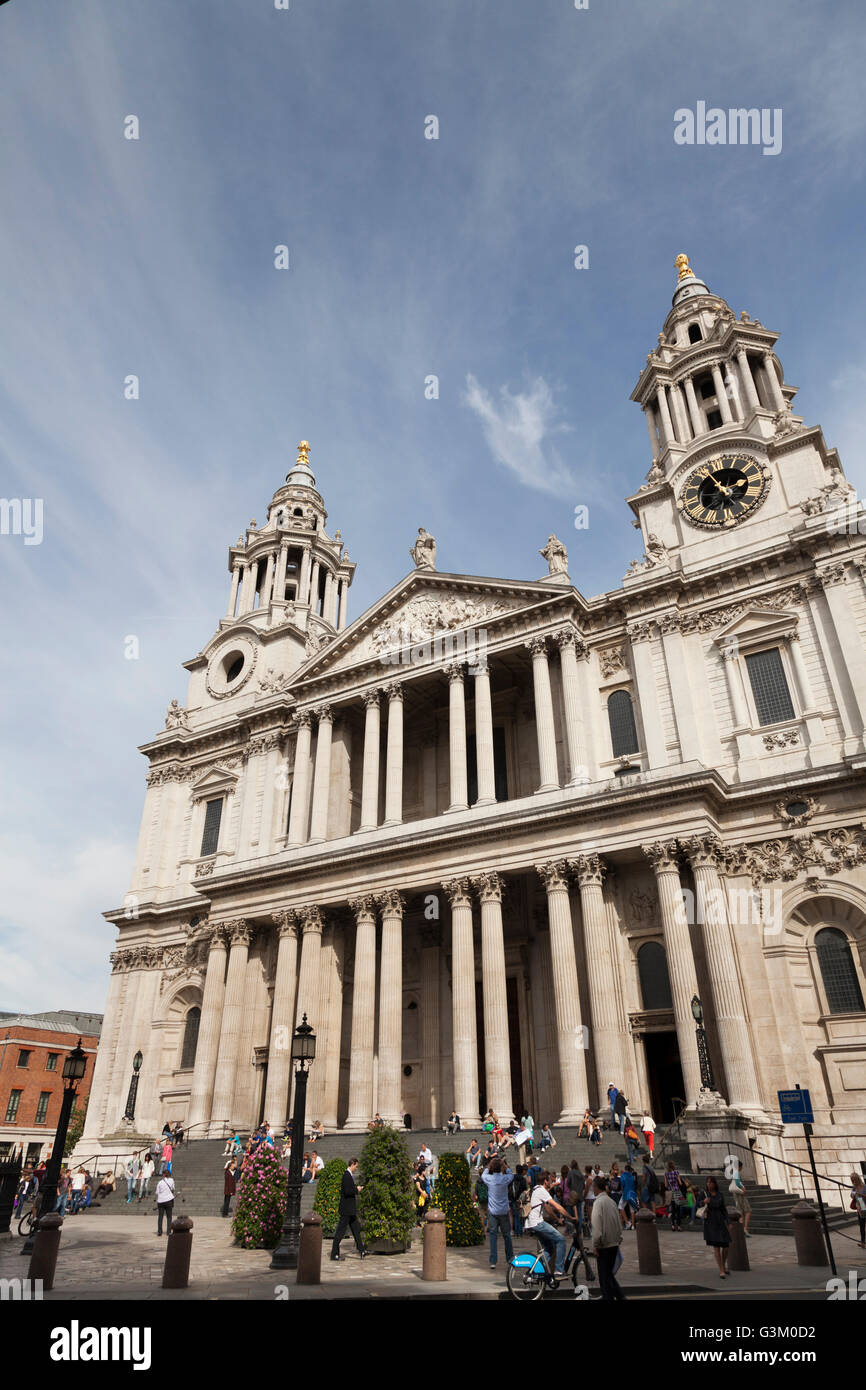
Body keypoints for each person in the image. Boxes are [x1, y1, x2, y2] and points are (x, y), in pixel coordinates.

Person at [526, 1171, 568, 1279]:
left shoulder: (536, 1189)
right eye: (549, 1180)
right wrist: (571, 1217)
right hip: (538, 1223)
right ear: (545, 1181)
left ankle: (537, 1270)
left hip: (532, 1223)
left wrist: (557, 1219)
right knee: (561, 1240)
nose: (551, 1181)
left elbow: (548, 1208)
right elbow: (556, 1206)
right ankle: (558, 1271)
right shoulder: (541, 1190)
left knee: (549, 1247)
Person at [591, 1176, 626, 1300]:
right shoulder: (611, 1201)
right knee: (609, 1276)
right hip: (614, 1244)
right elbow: (618, 1222)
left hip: (603, 1245)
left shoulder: (598, 1203)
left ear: (596, 1188)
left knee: (605, 1279)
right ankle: (619, 1297)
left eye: (593, 1187)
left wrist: (595, 1245)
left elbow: (596, 1226)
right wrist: (618, 1239)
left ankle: (612, 1297)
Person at [481, 1157, 514, 1269]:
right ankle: (510, 1258)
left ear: (491, 1168)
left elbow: (483, 1175)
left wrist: (488, 1166)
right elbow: (511, 1174)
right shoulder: (505, 1178)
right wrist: (505, 1166)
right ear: (501, 1168)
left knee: (493, 1237)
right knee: (507, 1236)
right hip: (504, 1211)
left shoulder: (489, 1179)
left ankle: (493, 1261)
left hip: (493, 1212)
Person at [330, 1158, 366, 1260]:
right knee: (340, 1232)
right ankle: (334, 1254)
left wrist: (355, 1189)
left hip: (350, 1210)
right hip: (346, 1210)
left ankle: (362, 1250)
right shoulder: (346, 1175)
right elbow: (347, 1191)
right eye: (356, 1166)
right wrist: (357, 1189)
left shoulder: (349, 1175)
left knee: (356, 1230)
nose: (356, 1168)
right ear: (352, 1164)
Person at [703, 1175, 731, 1278]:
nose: (709, 1184)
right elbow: (697, 1205)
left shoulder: (720, 1195)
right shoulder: (704, 1194)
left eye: (711, 1182)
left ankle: (723, 1265)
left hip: (720, 1221)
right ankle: (721, 1270)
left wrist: (728, 1222)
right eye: (707, 1182)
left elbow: (723, 1209)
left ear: (715, 1184)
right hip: (710, 1222)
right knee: (716, 1247)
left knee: (726, 1246)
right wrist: (703, 1202)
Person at [728, 1160, 752, 1236]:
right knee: (748, 1210)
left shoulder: (733, 1173)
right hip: (739, 1193)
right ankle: (745, 1228)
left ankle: (742, 1229)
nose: (742, 1168)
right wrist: (743, 1188)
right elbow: (738, 1183)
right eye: (741, 1167)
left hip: (736, 1194)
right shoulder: (736, 1173)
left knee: (740, 1211)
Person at [510, 1163, 528, 1236]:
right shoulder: (523, 1179)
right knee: (520, 1215)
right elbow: (525, 1189)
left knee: (515, 1215)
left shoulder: (512, 1177)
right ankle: (520, 1231)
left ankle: (516, 1231)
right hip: (520, 1199)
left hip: (513, 1198)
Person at [665, 1161, 683, 1231]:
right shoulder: (676, 1172)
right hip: (677, 1191)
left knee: (673, 1209)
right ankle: (679, 1226)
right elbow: (680, 1183)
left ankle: (672, 1225)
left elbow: (666, 1185)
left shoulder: (666, 1174)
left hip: (671, 1192)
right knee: (678, 1210)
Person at [850, 1172, 866, 1247]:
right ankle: (863, 1242)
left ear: (858, 1179)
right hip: (859, 1207)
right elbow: (852, 1196)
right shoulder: (854, 1188)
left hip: (865, 1206)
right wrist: (852, 1195)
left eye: (855, 1180)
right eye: (852, 1180)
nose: (854, 1182)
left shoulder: (864, 1186)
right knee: (862, 1226)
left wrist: (861, 1194)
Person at [620, 1164, 638, 1229]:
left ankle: (627, 1222)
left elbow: (622, 1184)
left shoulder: (623, 1175)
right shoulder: (632, 1175)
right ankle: (633, 1225)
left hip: (625, 1192)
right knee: (632, 1209)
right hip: (632, 1193)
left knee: (621, 1206)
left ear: (625, 1169)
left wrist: (622, 1191)